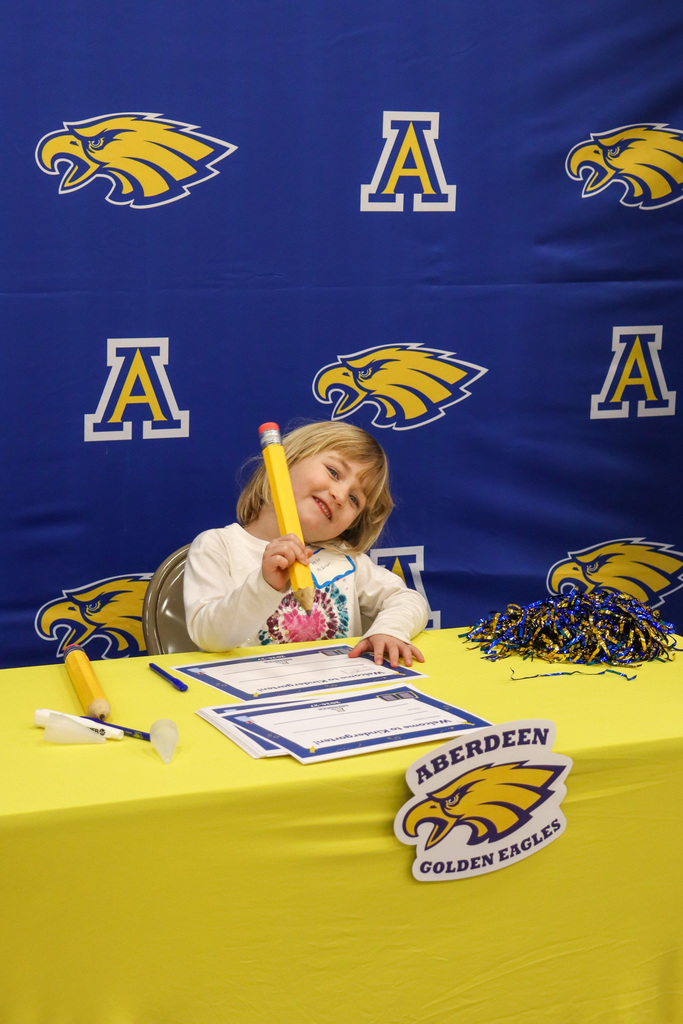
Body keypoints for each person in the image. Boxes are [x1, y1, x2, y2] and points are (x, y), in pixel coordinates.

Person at [184, 421, 428, 666]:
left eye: (355, 499)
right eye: (334, 472)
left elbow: (408, 599)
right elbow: (208, 636)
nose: (340, 495)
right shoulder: (217, 547)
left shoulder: (346, 560)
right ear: (285, 460)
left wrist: (388, 629)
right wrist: (264, 585)